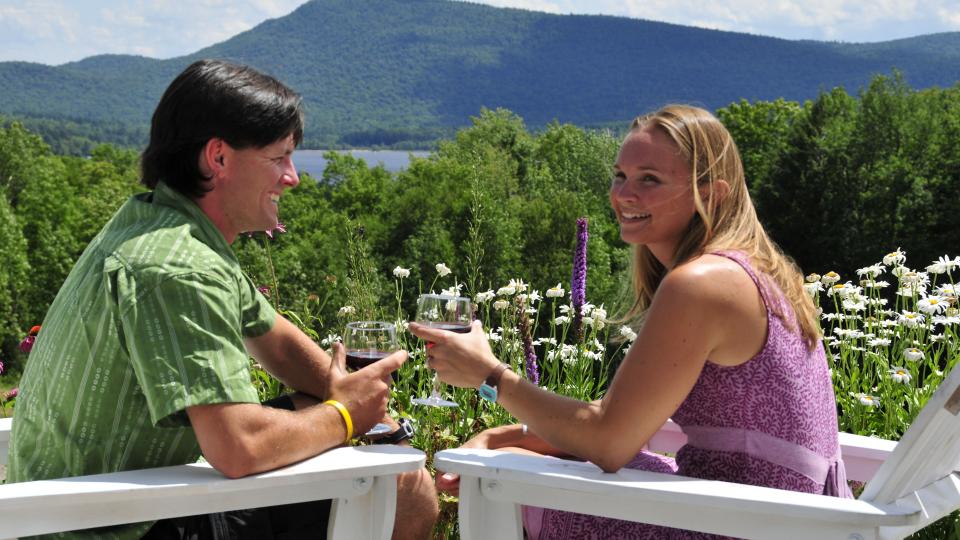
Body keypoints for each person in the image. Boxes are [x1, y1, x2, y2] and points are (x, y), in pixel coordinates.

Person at [8, 59, 438, 540]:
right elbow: (237, 448)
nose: (293, 177)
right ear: (218, 158)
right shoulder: (180, 267)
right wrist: (344, 415)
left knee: (339, 432)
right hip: (109, 527)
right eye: (279, 158)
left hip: (83, 509)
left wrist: (369, 413)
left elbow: (277, 343)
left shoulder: (161, 225)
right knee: (402, 486)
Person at [410, 104, 850, 539]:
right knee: (525, 465)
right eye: (620, 175)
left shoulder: (702, 284)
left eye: (650, 180)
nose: (623, 195)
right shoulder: (752, 269)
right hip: (772, 515)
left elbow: (609, 443)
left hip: (740, 523)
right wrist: (511, 437)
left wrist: (490, 377)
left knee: (504, 488)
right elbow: (623, 423)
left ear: (713, 193)